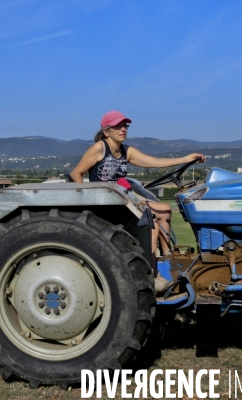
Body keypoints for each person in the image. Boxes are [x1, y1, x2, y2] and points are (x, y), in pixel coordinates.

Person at [70, 110, 204, 291]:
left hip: (122, 200)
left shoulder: (127, 151)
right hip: (105, 204)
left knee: (164, 209)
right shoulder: (99, 148)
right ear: (106, 131)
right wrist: (87, 199)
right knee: (152, 224)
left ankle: (167, 259)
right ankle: (151, 273)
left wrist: (186, 159)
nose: (123, 129)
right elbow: (75, 173)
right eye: (118, 126)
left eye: (125, 125)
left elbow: (155, 162)